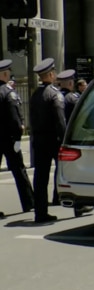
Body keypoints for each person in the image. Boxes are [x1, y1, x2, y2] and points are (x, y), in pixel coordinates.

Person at [29, 58, 64, 223]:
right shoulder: (54, 93)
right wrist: (64, 138)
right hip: (53, 139)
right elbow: (59, 119)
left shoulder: (35, 94)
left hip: (38, 139)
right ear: (51, 74)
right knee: (65, 171)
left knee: (40, 177)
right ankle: (78, 205)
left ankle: (40, 212)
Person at [56, 69, 94, 217]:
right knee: (77, 172)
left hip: (55, 137)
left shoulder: (58, 96)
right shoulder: (73, 98)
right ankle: (79, 205)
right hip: (74, 137)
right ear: (71, 83)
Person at [0, 59, 35, 215]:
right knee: (19, 170)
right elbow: (15, 120)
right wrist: (19, 135)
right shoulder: (8, 93)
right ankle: (29, 203)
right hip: (8, 138)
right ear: (5, 74)